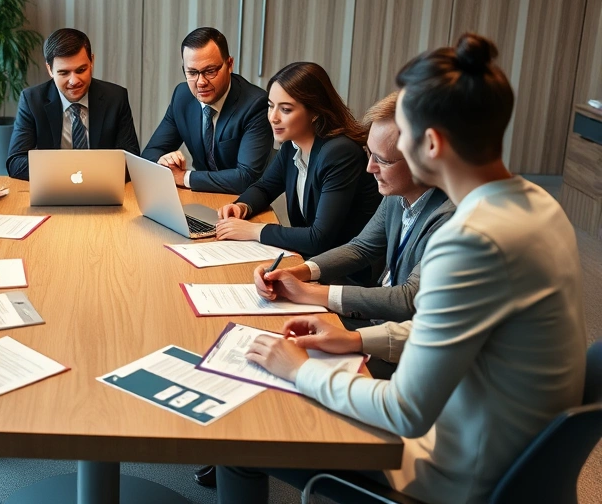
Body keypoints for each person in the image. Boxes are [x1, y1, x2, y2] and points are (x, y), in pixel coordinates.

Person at [218, 34, 586, 504]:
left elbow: (405, 411)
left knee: (243, 435)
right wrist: (354, 339)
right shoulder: (537, 206)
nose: (376, 157)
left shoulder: (470, 241)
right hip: (508, 449)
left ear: (430, 144)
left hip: (452, 471)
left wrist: (300, 371)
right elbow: (450, 327)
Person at [256, 91, 455, 328]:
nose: (370, 168)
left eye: (383, 160)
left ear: (425, 160)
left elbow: (408, 299)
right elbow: (361, 248)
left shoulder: (451, 217)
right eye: (370, 154)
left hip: (404, 339)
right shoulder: (397, 192)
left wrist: (307, 293)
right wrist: (298, 272)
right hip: (378, 320)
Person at [215, 62, 381, 262]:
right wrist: (242, 206)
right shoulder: (292, 145)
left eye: (285, 109)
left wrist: (253, 230)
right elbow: (265, 187)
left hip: (345, 273)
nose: (273, 118)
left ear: (315, 112)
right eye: (270, 106)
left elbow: (319, 238)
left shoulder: (340, 153)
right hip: (308, 259)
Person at [141, 27, 272, 194]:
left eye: (210, 72)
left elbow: (246, 178)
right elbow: (149, 153)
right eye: (192, 72)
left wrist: (184, 177)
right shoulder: (183, 96)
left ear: (229, 64)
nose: (200, 82)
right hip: (200, 194)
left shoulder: (256, 105)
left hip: (242, 200)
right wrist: (163, 162)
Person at [6, 28, 140, 180]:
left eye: (81, 70)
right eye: (64, 73)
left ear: (92, 62)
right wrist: (70, 170)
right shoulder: (32, 100)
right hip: (54, 188)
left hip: (100, 186)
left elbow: (132, 161)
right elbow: (15, 164)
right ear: (50, 70)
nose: (74, 81)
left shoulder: (116, 97)